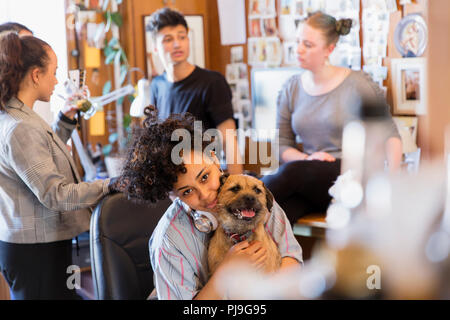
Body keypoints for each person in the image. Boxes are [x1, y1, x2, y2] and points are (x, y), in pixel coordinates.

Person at [120, 106, 303, 300]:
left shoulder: (254, 198)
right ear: (172, 196)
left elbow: (292, 259)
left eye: (205, 177)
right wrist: (225, 273)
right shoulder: (168, 241)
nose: (206, 195)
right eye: (187, 191)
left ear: (214, 159)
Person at [0, 32, 115, 299]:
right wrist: (108, 185)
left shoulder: (18, 116)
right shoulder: (20, 127)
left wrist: (65, 120)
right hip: (36, 252)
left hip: (37, 246)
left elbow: (41, 155)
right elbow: (55, 193)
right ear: (36, 75)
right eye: (53, 72)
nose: (56, 81)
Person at [261, 12, 403, 225]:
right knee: (279, 214)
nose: (299, 49)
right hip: (309, 177)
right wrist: (308, 159)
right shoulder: (291, 87)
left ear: (329, 49)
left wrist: (392, 184)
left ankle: (248, 191)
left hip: (349, 176)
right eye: (298, 42)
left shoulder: (358, 83)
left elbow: (390, 136)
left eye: (308, 45)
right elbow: (282, 145)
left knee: (291, 173)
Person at [146, 8, 244, 175]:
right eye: (168, 39)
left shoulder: (212, 82)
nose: (177, 44)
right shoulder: (157, 85)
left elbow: (229, 139)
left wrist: (238, 183)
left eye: (182, 37)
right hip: (171, 181)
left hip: (205, 177)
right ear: (155, 47)